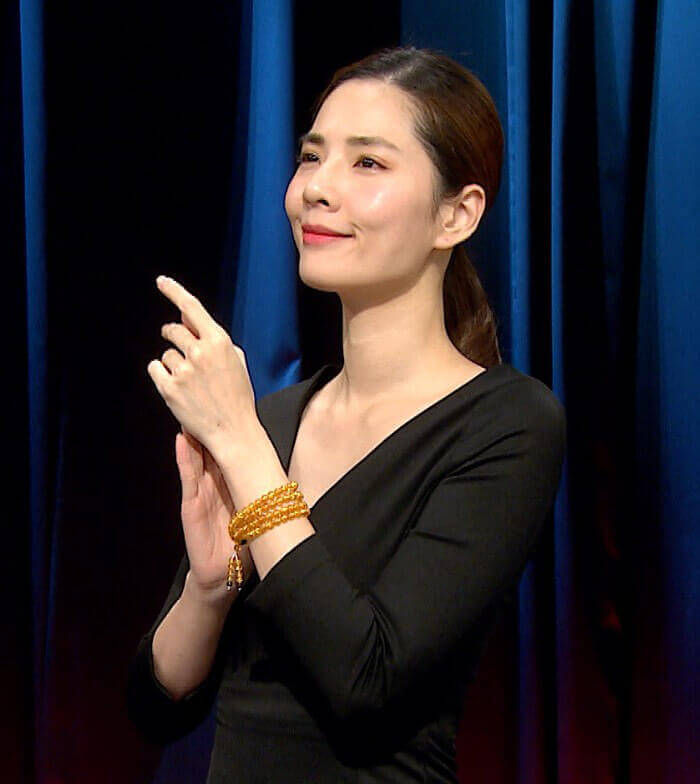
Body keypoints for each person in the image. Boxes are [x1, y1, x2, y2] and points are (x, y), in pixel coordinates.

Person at [127, 46, 567, 782]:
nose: (317, 189)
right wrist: (210, 587)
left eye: (367, 163)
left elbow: (367, 681)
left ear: (456, 215)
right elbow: (156, 709)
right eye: (311, 156)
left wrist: (241, 448)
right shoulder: (272, 422)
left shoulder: (508, 423)